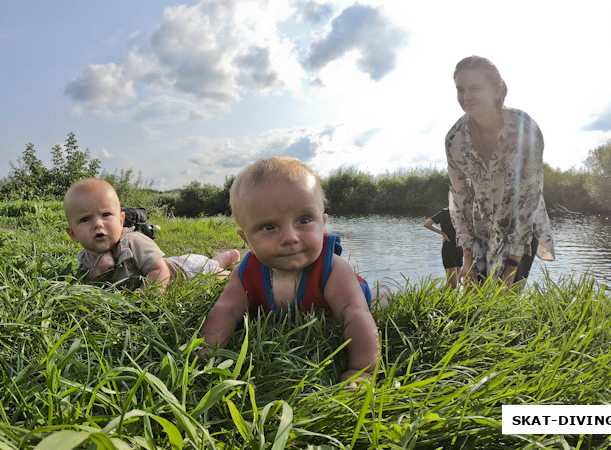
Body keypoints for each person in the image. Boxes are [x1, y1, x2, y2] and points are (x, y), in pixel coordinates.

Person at [199, 156, 388, 385]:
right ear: (246, 239)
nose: (290, 237)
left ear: (323, 222)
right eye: (269, 227)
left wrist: (364, 370)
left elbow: (355, 314)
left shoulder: (334, 270)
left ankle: (385, 292)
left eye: (304, 220)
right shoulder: (246, 273)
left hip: (356, 294)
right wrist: (206, 355)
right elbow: (225, 309)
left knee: (376, 301)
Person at [445, 55, 554, 290]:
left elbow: (530, 194)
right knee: (472, 299)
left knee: (506, 299)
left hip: (521, 223)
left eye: (475, 88)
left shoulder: (525, 128)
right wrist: (467, 255)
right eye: (460, 89)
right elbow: (459, 197)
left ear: (497, 90)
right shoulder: (454, 139)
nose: (465, 97)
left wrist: (512, 264)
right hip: (480, 224)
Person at [64, 178, 240, 291]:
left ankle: (233, 264)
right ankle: (226, 257)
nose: (98, 224)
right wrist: (96, 273)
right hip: (183, 263)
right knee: (211, 264)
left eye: (106, 215)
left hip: (187, 273)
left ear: (121, 220)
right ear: (73, 235)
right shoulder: (85, 258)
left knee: (224, 279)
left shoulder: (133, 242)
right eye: (86, 219)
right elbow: (87, 286)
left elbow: (160, 271)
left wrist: (144, 301)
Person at [423, 206, 463, 289]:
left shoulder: (462, 213)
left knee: (458, 283)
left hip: (460, 248)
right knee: (452, 285)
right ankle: (437, 297)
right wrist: (443, 234)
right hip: (448, 248)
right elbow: (427, 224)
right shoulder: (444, 213)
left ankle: (453, 300)